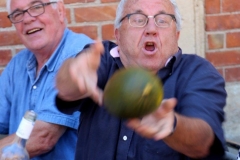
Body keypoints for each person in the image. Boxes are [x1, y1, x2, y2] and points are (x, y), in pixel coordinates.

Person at [55, 0, 227, 159]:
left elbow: (204, 142)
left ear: (177, 35)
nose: (151, 28)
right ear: (118, 35)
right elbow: (67, 88)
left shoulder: (197, 72)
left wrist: (171, 126)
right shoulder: (101, 58)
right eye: (137, 19)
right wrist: (73, 73)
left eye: (162, 20)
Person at [0, 0, 93, 159]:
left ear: (61, 11)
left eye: (36, 7)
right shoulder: (17, 65)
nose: (27, 19)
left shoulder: (81, 55)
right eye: (18, 14)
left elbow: (42, 138)